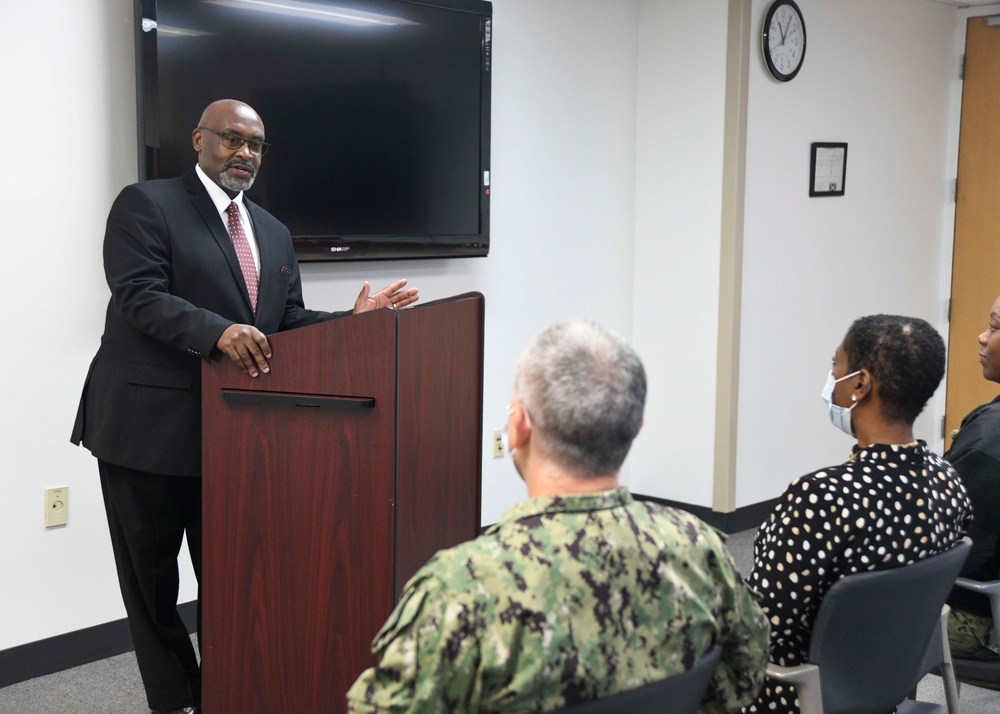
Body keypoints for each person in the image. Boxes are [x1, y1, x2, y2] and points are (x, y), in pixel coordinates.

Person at [71, 99, 418, 714]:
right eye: (232, 140)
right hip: (144, 429)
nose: (245, 154)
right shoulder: (147, 204)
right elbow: (137, 293)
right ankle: (178, 697)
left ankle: (229, 688)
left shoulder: (273, 231)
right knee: (152, 583)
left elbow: (281, 322)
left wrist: (353, 320)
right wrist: (217, 331)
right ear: (200, 139)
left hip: (234, 433)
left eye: (256, 145)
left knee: (233, 575)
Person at [346, 320, 769, 713]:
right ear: (635, 426)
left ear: (519, 427)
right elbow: (744, 674)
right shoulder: (701, 548)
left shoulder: (459, 590)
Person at [742, 314, 972, 714]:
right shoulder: (948, 480)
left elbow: (759, 631)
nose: (830, 376)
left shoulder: (820, 498)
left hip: (798, 695)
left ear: (861, 384)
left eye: (836, 365)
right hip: (886, 687)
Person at [946, 294, 1000, 660]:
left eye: (995, 327)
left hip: (984, 615)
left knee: (839, 613)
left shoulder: (990, 443)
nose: (982, 336)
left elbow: (950, 547)